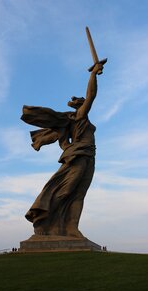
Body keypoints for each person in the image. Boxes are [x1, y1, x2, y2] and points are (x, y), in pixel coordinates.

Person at [21, 62, 104, 238]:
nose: (84, 102)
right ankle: (42, 219)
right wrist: (93, 75)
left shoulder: (79, 120)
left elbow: (62, 139)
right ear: (78, 106)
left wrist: (67, 146)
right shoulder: (79, 116)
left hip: (89, 155)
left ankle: (72, 228)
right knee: (66, 190)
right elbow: (91, 95)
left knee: (79, 194)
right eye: (82, 102)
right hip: (79, 155)